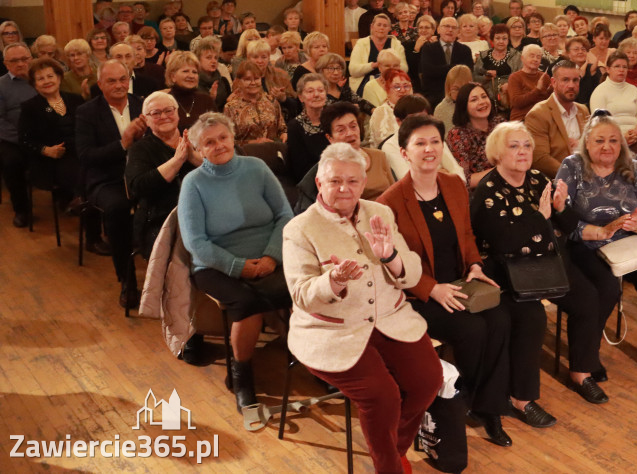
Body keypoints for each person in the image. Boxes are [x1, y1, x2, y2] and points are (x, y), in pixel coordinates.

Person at [283, 142, 441, 473]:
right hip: (331, 330)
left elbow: (411, 273)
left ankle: (393, 446)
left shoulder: (379, 213)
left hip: (388, 319)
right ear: (319, 184)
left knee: (429, 380)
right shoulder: (299, 229)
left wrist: (390, 257)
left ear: (364, 181)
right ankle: (389, 466)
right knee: (382, 397)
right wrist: (334, 280)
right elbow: (301, 294)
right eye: (335, 181)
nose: (345, 189)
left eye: (353, 181)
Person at [378, 114, 513, 447]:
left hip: (458, 283)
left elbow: (466, 234)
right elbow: (390, 267)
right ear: (404, 152)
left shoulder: (453, 183)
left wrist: (475, 266)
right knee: (472, 329)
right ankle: (463, 398)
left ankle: (488, 407)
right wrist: (431, 289)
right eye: (420, 143)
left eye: (435, 141)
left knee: (500, 319)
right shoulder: (388, 203)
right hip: (418, 294)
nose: (429, 149)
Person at [470, 122, 607, 411]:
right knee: (533, 318)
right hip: (509, 273)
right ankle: (522, 398)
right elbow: (505, 243)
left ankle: (581, 372)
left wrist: (559, 209)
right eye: (514, 146)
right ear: (497, 153)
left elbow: (568, 227)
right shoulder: (488, 191)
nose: (523, 151)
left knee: (587, 298)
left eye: (527, 145)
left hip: (547, 262)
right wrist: (540, 218)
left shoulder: (537, 179)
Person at [179, 112, 293, 412]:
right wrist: (239, 266)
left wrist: (271, 257)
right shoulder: (193, 184)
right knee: (246, 302)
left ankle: (318, 361)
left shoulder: (256, 167)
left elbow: (285, 216)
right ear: (199, 150)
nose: (218, 145)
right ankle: (241, 377)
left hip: (269, 256)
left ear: (233, 138)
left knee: (307, 287)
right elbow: (196, 243)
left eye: (223, 138)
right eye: (209, 142)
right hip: (215, 265)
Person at [555, 111, 637, 382]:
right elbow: (560, 217)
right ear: (586, 144)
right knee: (606, 289)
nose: (607, 147)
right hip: (586, 243)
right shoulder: (572, 166)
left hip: (625, 243)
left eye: (613, 141)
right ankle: (589, 352)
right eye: (599, 141)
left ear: (621, 143)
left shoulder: (632, 166)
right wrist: (596, 231)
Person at [76, 60, 147, 306]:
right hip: (107, 180)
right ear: (99, 84)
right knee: (117, 210)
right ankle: (128, 281)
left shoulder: (142, 105)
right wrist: (123, 144)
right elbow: (86, 156)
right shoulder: (87, 112)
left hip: (142, 175)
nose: (119, 85)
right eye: (112, 81)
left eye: (122, 79)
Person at [125, 91, 201, 258]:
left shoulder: (194, 139)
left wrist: (193, 157)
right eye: (156, 113)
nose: (164, 116)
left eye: (169, 111)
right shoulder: (140, 149)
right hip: (160, 219)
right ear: (146, 120)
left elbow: (220, 172)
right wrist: (177, 161)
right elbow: (137, 187)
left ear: (177, 114)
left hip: (202, 212)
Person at [294, 102, 394, 211]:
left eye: (353, 126)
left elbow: (395, 194)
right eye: (341, 130)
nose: (350, 133)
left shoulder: (378, 156)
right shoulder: (328, 169)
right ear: (330, 138)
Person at [19, 57, 85, 210]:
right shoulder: (30, 107)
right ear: (34, 84)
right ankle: (83, 202)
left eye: (50, 76)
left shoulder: (76, 99)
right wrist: (46, 150)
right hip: (51, 159)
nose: (47, 81)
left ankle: (85, 201)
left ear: (59, 78)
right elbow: (24, 140)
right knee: (79, 169)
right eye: (40, 78)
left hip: (80, 152)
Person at [525, 60, 590, 178]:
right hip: (556, 181)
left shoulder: (583, 110)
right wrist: (574, 175)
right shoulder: (538, 114)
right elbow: (540, 159)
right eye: (565, 80)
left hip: (587, 176)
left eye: (575, 80)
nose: (571, 85)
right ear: (553, 82)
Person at [380, 95, 466, 182]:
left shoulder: (435, 138)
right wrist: (443, 174)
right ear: (399, 121)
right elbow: (410, 182)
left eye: (424, 118)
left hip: (449, 192)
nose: (421, 124)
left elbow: (459, 174)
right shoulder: (390, 146)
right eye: (414, 120)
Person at [0, 43, 37, 227]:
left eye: (24, 59)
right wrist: (23, 138)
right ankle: (21, 209)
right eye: (15, 60)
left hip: (41, 135)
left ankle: (66, 199)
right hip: (12, 139)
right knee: (11, 162)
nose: (21, 64)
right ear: (6, 64)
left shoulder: (41, 79)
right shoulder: (1, 85)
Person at [447, 82, 504, 190]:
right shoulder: (458, 135)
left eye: (484, 97)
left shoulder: (500, 124)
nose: (482, 102)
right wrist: (501, 170)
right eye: (474, 100)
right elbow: (464, 180)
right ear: (464, 106)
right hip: (480, 193)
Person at [589, 50, 637, 150]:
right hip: (611, 138)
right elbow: (600, 122)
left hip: (636, 135)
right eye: (617, 66)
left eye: (624, 67)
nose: (621, 70)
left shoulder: (633, 89)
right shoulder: (599, 91)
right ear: (608, 69)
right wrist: (621, 137)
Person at [223, 60, 286, 145]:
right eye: (247, 79)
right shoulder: (230, 107)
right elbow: (227, 140)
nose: (253, 83)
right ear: (239, 81)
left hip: (272, 151)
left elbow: (282, 129)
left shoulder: (271, 101)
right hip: (245, 154)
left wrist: (284, 135)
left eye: (256, 78)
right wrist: (253, 143)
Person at [349, 14, 408, 97]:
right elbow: (353, 70)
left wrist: (389, 67)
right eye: (379, 25)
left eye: (385, 26)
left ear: (389, 28)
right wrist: (374, 65)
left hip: (392, 82)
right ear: (372, 27)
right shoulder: (361, 44)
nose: (381, 28)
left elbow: (404, 68)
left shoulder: (396, 44)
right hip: (366, 83)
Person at [420, 17, 473, 107]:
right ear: (439, 29)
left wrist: (441, 70)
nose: (450, 30)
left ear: (458, 32)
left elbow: (467, 72)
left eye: (453, 28)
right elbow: (428, 71)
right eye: (447, 26)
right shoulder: (428, 48)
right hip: (434, 94)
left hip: (460, 95)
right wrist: (455, 68)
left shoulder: (465, 50)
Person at [286, 74, 330, 183]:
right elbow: (300, 169)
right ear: (301, 97)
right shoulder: (295, 126)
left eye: (320, 90)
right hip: (311, 182)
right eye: (310, 91)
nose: (316, 95)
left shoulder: (334, 121)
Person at [163, 51, 215, 132]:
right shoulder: (164, 102)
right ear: (173, 76)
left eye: (194, 72)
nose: (191, 76)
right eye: (185, 71)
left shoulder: (207, 101)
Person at [474, 24, 521, 106]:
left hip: (510, 99)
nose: (501, 41)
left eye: (504, 38)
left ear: (508, 40)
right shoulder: (483, 56)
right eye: (497, 38)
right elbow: (474, 78)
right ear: (492, 39)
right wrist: (486, 77)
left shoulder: (516, 56)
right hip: (486, 100)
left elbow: (521, 77)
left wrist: (510, 85)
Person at [367, 69, 414, 148]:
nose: (402, 90)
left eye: (406, 86)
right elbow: (382, 144)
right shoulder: (381, 112)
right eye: (397, 87)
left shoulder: (417, 108)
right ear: (387, 89)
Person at [508, 44, 552, 122]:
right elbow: (516, 102)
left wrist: (552, 90)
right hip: (522, 119)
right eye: (532, 56)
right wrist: (537, 90)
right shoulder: (515, 77)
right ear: (522, 58)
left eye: (538, 57)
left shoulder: (545, 77)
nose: (535, 59)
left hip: (542, 118)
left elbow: (549, 101)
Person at [433, 64, 473, 135]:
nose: (460, 93)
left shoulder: (475, 105)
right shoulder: (441, 109)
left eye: (464, 88)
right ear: (448, 88)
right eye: (456, 89)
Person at [562, 36, 601, 108]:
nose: (580, 52)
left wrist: (591, 74)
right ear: (568, 53)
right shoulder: (563, 70)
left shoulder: (593, 69)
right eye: (576, 49)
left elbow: (598, 94)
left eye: (583, 49)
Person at [194, 36, 231, 111]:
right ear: (198, 60)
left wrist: (230, 101)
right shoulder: (193, 83)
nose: (213, 61)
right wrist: (210, 99)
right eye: (209, 57)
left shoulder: (223, 81)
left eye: (216, 58)